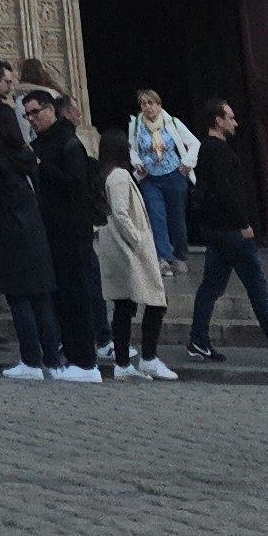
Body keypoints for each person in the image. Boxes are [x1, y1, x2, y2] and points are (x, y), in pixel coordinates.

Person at [184, 97, 268, 369]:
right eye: (230, 117)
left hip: (214, 230)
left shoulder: (205, 149)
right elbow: (225, 191)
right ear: (217, 121)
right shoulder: (218, 151)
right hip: (231, 231)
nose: (235, 122)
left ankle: (198, 340)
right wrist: (243, 224)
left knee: (211, 286)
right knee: (258, 290)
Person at [0, 67, 59, 379]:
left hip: (12, 234)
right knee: (41, 299)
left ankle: (31, 360)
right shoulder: (27, 159)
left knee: (20, 299)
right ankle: (52, 359)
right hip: (34, 231)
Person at [28, 86, 111, 379]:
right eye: (27, 116)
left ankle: (86, 361)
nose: (32, 120)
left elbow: (75, 185)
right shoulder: (41, 144)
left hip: (72, 231)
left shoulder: (68, 143)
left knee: (77, 295)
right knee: (61, 296)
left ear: (51, 110)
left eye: (35, 113)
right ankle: (73, 357)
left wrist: (41, 167)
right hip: (51, 230)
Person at [93, 121, 172, 376]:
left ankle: (124, 363)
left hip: (121, 246)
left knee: (125, 306)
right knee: (154, 301)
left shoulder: (112, 174)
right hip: (128, 249)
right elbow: (120, 212)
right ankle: (144, 357)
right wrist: (138, 239)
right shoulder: (118, 176)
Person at [126, 87, 198, 268]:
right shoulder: (135, 126)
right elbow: (131, 149)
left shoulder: (171, 122)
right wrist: (136, 163)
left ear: (159, 105)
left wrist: (187, 162)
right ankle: (164, 258)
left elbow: (194, 143)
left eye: (150, 103)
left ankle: (180, 255)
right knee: (156, 216)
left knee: (177, 217)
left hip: (174, 174)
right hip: (150, 177)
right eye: (143, 103)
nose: (147, 107)